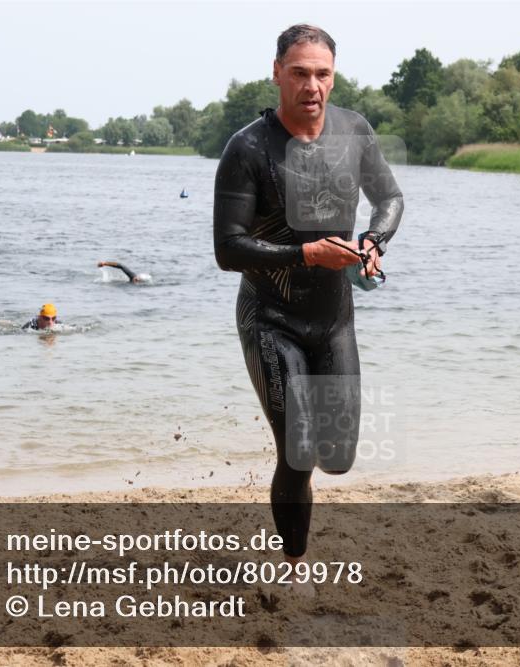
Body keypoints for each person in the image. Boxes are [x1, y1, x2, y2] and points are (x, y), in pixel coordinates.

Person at [213, 24, 403, 576]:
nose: (312, 86)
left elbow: (389, 196)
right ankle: (295, 565)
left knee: (336, 458)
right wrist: (305, 254)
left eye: (322, 74)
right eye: (299, 73)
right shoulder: (248, 148)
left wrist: (373, 241)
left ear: (333, 76)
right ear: (277, 74)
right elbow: (228, 249)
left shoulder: (354, 130)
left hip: (334, 320)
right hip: (270, 318)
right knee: (299, 451)